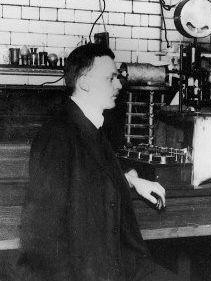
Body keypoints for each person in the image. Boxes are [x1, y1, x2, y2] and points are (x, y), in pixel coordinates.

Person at [18, 43, 171, 281]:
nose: (119, 85)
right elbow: (42, 230)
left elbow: (93, 171)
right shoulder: (57, 134)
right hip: (82, 270)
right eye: (111, 78)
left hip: (112, 261)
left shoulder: (91, 125)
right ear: (84, 83)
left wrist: (133, 181)